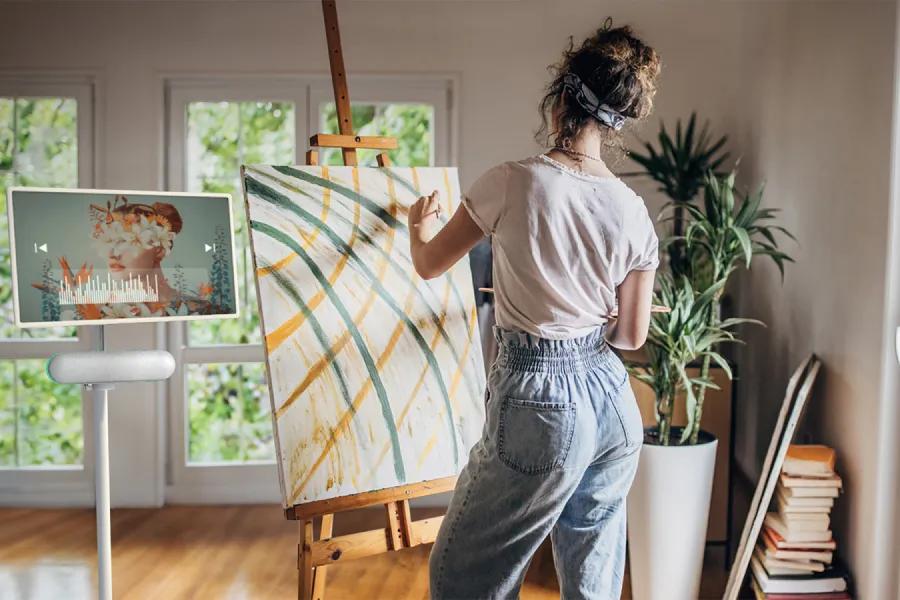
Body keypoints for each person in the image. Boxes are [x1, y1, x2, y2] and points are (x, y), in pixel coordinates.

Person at [408, 20, 661, 600]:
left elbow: (428, 264)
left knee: (465, 574)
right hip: (611, 401)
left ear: (560, 103)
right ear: (616, 122)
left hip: (541, 405)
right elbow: (629, 334)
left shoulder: (513, 182)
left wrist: (418, 229)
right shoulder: (632, 209)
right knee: (593, 579)